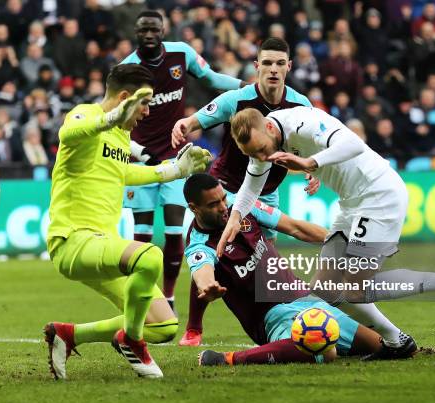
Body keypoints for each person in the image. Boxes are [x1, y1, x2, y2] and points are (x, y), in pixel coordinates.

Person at [219, 106, 435, 360]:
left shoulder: (302, 124)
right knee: (325, 289)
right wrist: (234, 219)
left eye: (263, 150)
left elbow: (354, 144)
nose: (263, 158)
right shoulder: (262, 140)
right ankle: (397, 341)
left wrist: (309, 162)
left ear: (268, 126)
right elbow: (250, 186)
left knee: (354, 289)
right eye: (255, 155)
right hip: (352, 204)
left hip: (378, 195)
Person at [42, 64, 211, 380]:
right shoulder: (84, 114)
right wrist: (108, 119)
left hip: (101, 244)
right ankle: (131, 340)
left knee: (163, 325)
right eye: (144, 103)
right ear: (123, 98)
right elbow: (68, 134)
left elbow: (121, 173)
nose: (147, 112)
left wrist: (173, 170)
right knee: (150, 256)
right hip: (73, 241)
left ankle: (69, 334)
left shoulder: (120, 138)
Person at [171, 37, 316, 346]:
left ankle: (275, 318)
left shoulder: (302, 105)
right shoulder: (236, 100)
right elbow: (196, 120)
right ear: (256, 67)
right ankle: (194, 327)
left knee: (265, 259)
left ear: (289, 67)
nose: (273, 70)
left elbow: (314, 146)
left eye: (280, 63)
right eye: (267, 63)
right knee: (213, 250)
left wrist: (313, 172)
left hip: (268, 189)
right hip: (227, 188)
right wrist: (182, 125)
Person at [182, 173, 383, 365]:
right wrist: (208, 286)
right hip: (272, 316)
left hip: (304, 297)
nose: (223, 207)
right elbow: (202, 273)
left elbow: (295, 227)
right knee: (325, 352)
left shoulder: (242, 206)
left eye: (223, 199)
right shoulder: (199, 245)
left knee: (380, 344)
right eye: (213, 204)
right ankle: (227, 358)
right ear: (194, 208)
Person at [120, 10, 244, 312]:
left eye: (154, 29)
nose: (149, 35)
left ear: (164, 30)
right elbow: (115, 121)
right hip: (141, 162)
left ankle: (170, 296)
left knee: (175, 230)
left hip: (176, 160)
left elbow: (212, 78)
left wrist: (247, 86)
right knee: (143, 235)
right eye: (143, 30)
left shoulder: (182, 53)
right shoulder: (127, 70)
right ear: (136, 34)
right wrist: (137, 151)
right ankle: (146, 297)